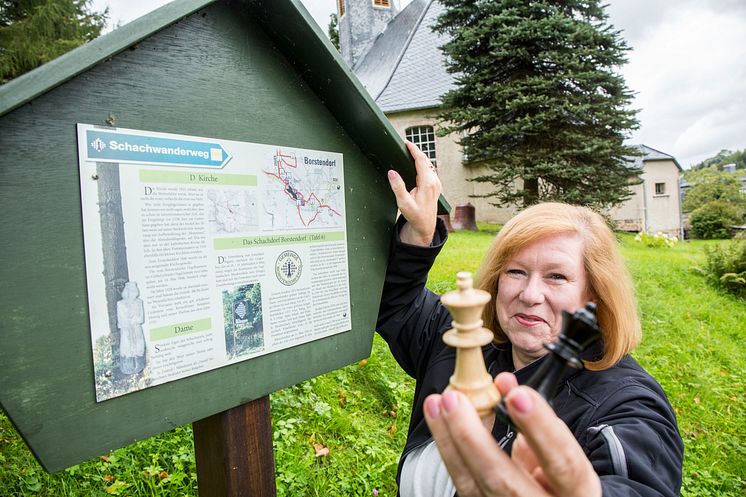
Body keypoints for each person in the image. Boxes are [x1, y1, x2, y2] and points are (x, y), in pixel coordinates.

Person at [377, 141, 683, 497]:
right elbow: (397, 304)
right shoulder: (460, 336)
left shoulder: (624, 401)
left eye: (556, 276)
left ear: (593, 296)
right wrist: (418, 236)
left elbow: (638, 485)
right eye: (517, 272)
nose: (530, 294)